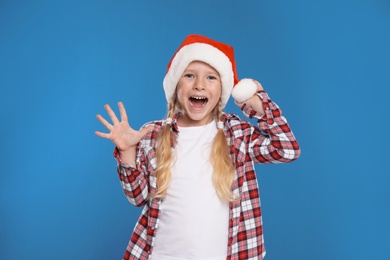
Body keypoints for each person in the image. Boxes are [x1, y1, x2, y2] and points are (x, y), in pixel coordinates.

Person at [95, 34, 300, 260]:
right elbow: (138, 197)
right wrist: (127, 151)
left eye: (211, 78)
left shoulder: (237, 133)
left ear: (222, 89)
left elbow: (286, 149)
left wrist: (258, 105)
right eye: (190, 76)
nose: (200, 85)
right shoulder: (152, 133)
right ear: (176, 86)